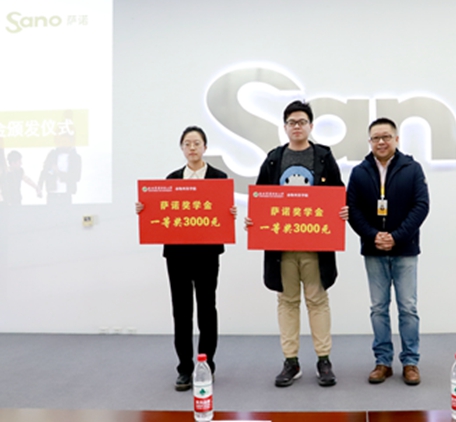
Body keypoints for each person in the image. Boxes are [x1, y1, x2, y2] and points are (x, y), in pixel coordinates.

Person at [245, 100, 348, 388]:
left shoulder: (324, 157)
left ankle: (323, 359)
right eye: (292, 122)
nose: (297, 126)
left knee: (318, 300)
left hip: (316, 246)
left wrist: (342, 210)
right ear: (285, 127)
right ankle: (290, 361)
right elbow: (260, 199)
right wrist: (254, 220)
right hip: (282, 249)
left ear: (311, 126)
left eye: (302, 122)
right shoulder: (274, 159)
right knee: (287, 302)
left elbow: (338, 194)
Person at [136, 126, 236, 391]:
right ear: (182, 148)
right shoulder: (171, 179)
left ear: (205, 147)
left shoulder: (219, 178)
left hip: (207, 254)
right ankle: (184, 367)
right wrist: (145, 208)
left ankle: (206, 365)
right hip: (177, 255)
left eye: (197, 143)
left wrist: (230, 213)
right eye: (187, 143)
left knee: (207, 310)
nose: (192, 148)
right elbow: (160, 212)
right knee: (181, 311)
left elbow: (222, 214)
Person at [347, 117, 429, 386]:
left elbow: (421, 206)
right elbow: (353, 210)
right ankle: (383, 362)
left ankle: (410, 362)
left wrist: (396, 237)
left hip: (405, 249)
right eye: (375, 138)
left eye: (386, 137)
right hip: (373, 251)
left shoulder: (412, 169)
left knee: (408, 308)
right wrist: (374, 236)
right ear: (369, 141)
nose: (381, 142)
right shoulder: (360, 172)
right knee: (378, 308)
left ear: (396, 139)